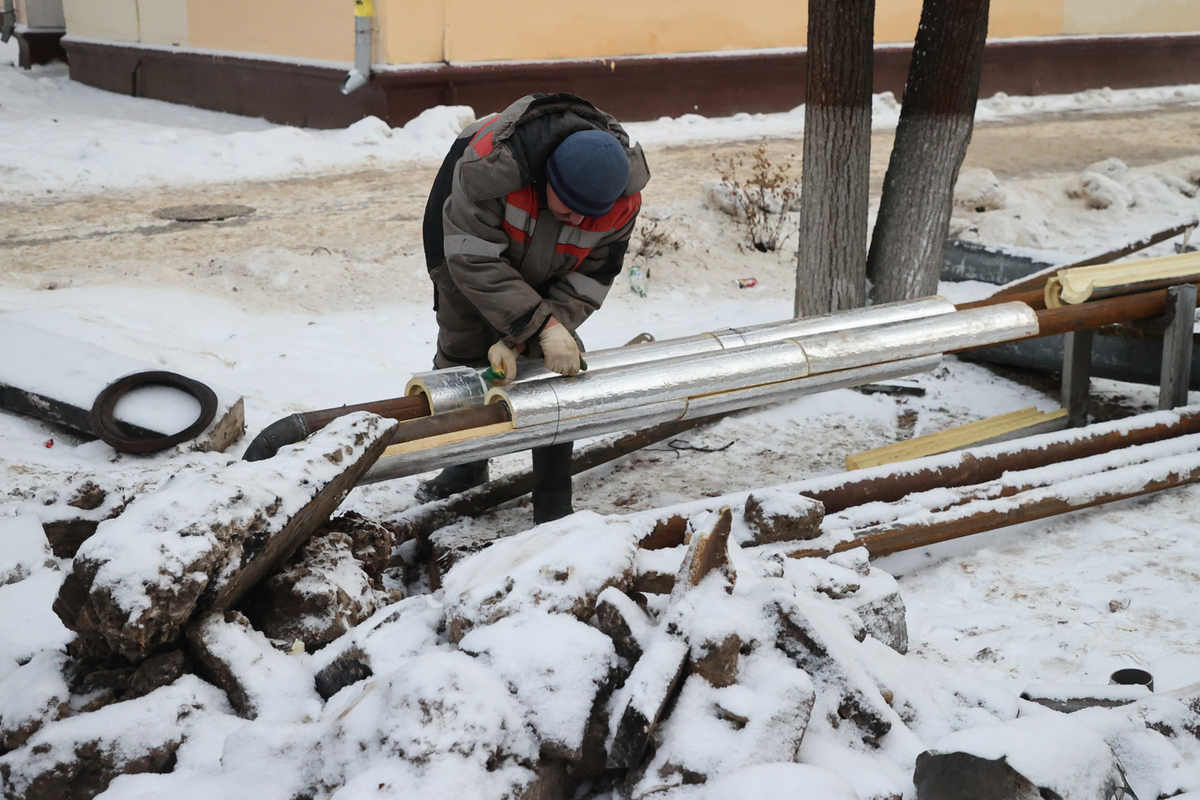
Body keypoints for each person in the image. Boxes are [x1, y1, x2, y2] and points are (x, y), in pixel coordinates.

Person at [416, 92, 651, 522]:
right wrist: (533, 323)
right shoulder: (488, 171)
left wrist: (548, 328)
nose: (580, 223)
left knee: (556, 366)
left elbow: (591, 277)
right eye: (572, 209)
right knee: (464, 351)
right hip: (464, 254)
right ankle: (466, 464)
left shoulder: (619, 198)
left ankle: (553, 496)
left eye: (591, 216)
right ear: (548, 182)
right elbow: (475, 261)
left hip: (550, 267)